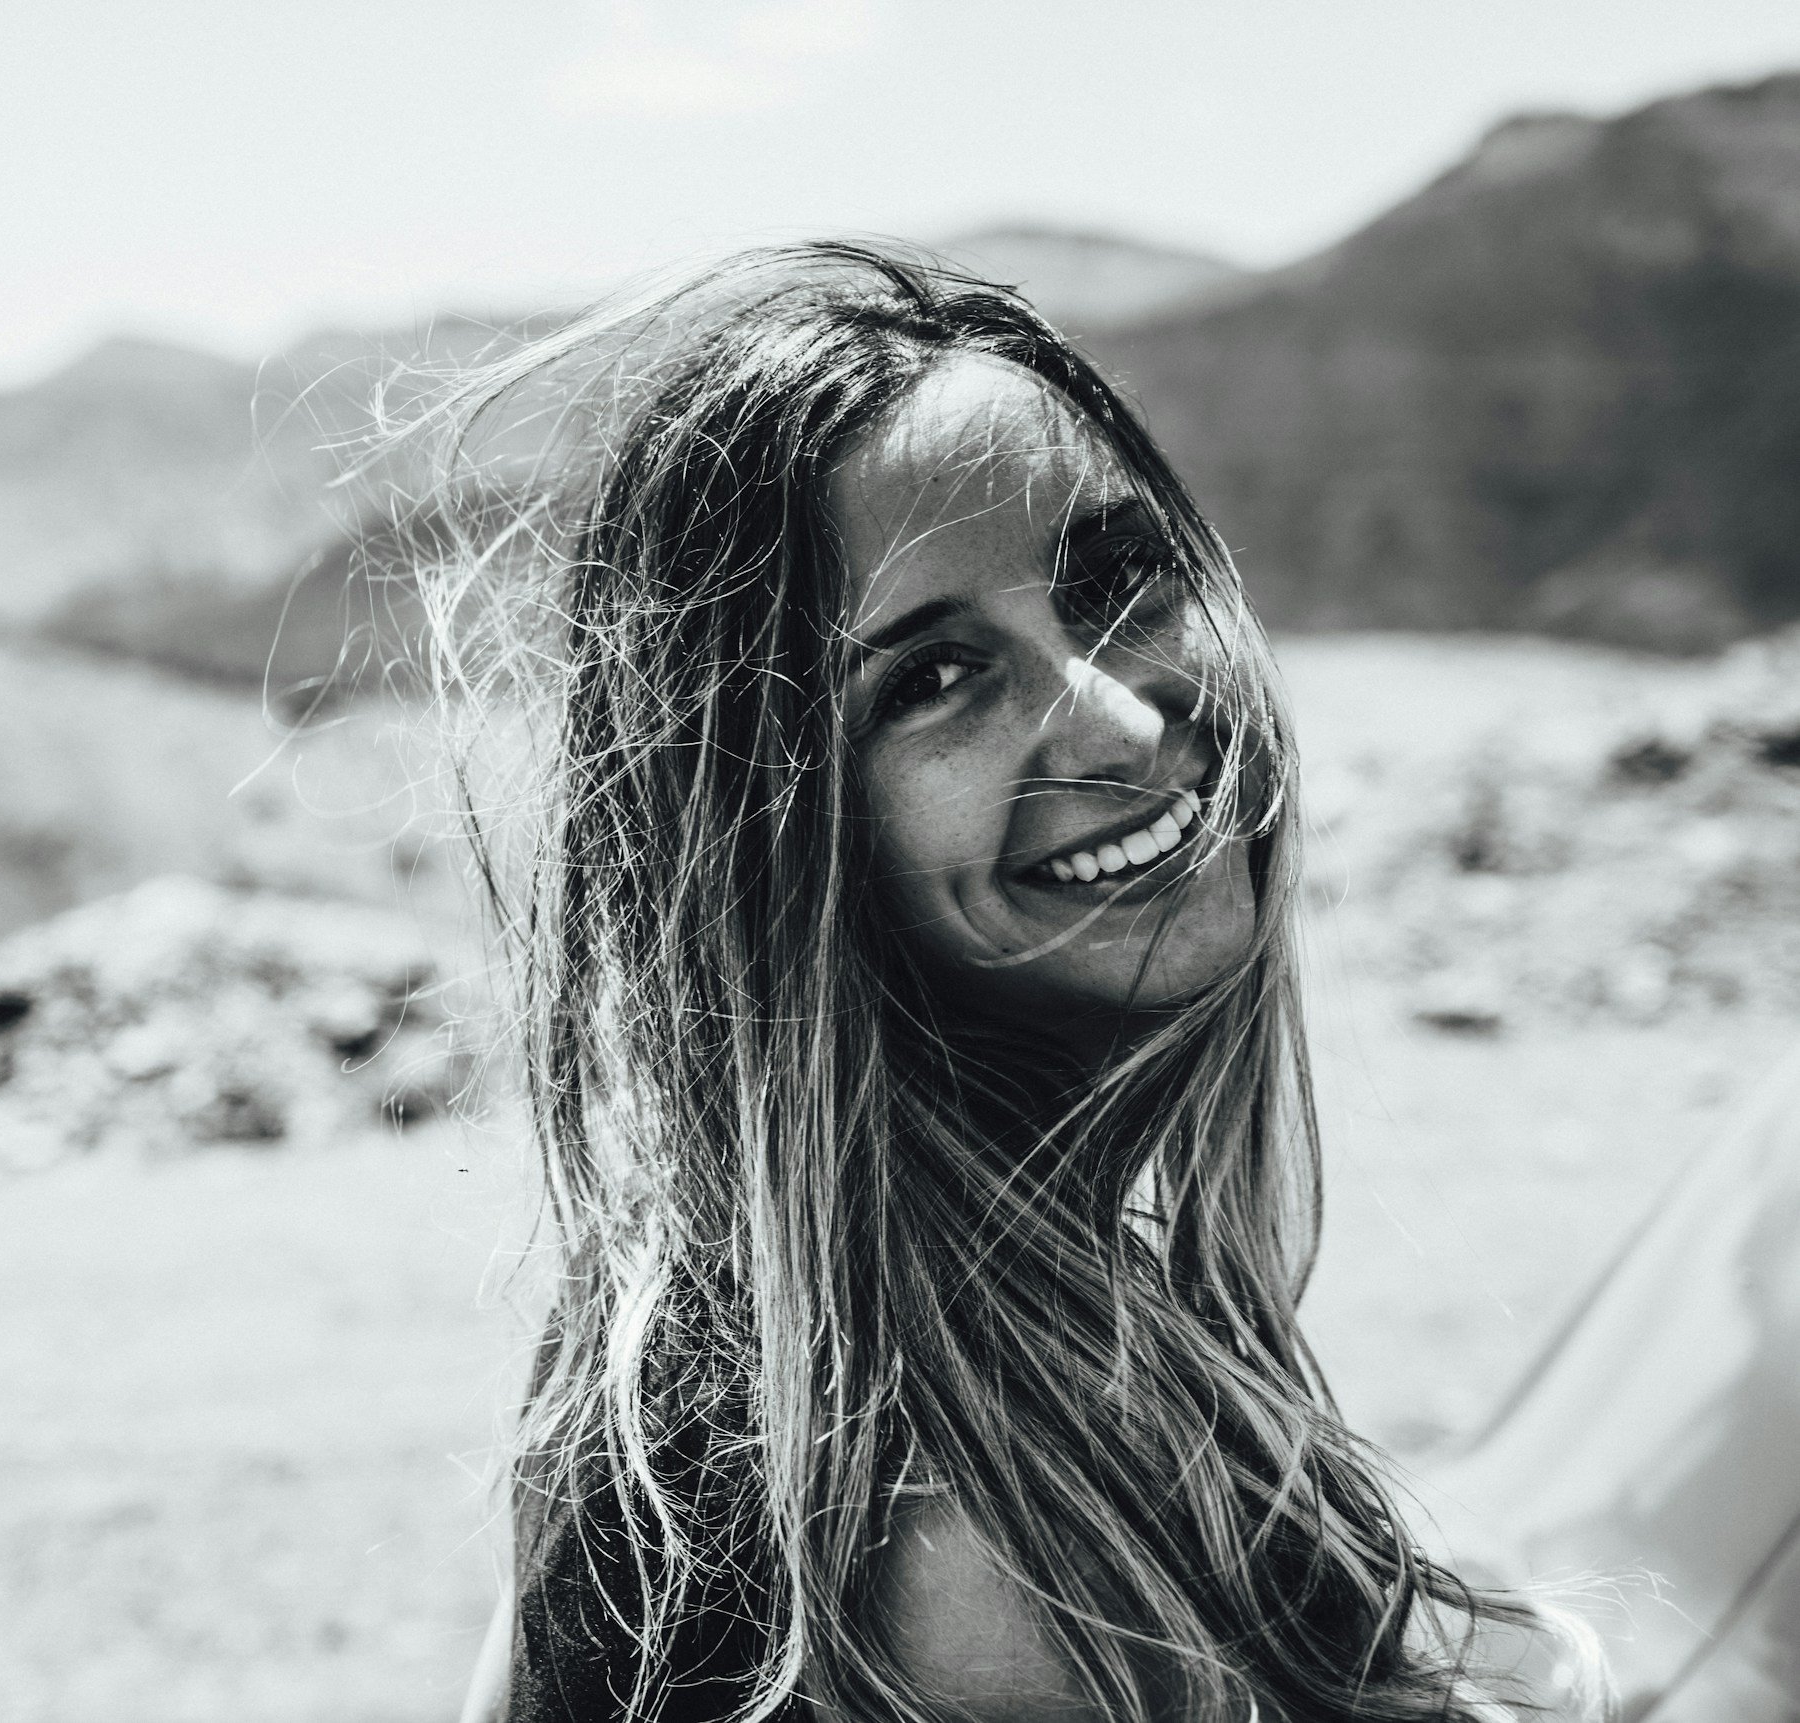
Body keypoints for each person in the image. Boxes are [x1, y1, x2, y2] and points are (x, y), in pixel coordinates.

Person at [420, 243, 1576, 1723]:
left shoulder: (690, 1313)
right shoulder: (993, 1530)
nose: (1116, 716)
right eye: (935, 678)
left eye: (1122, 579)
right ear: (773, 834)